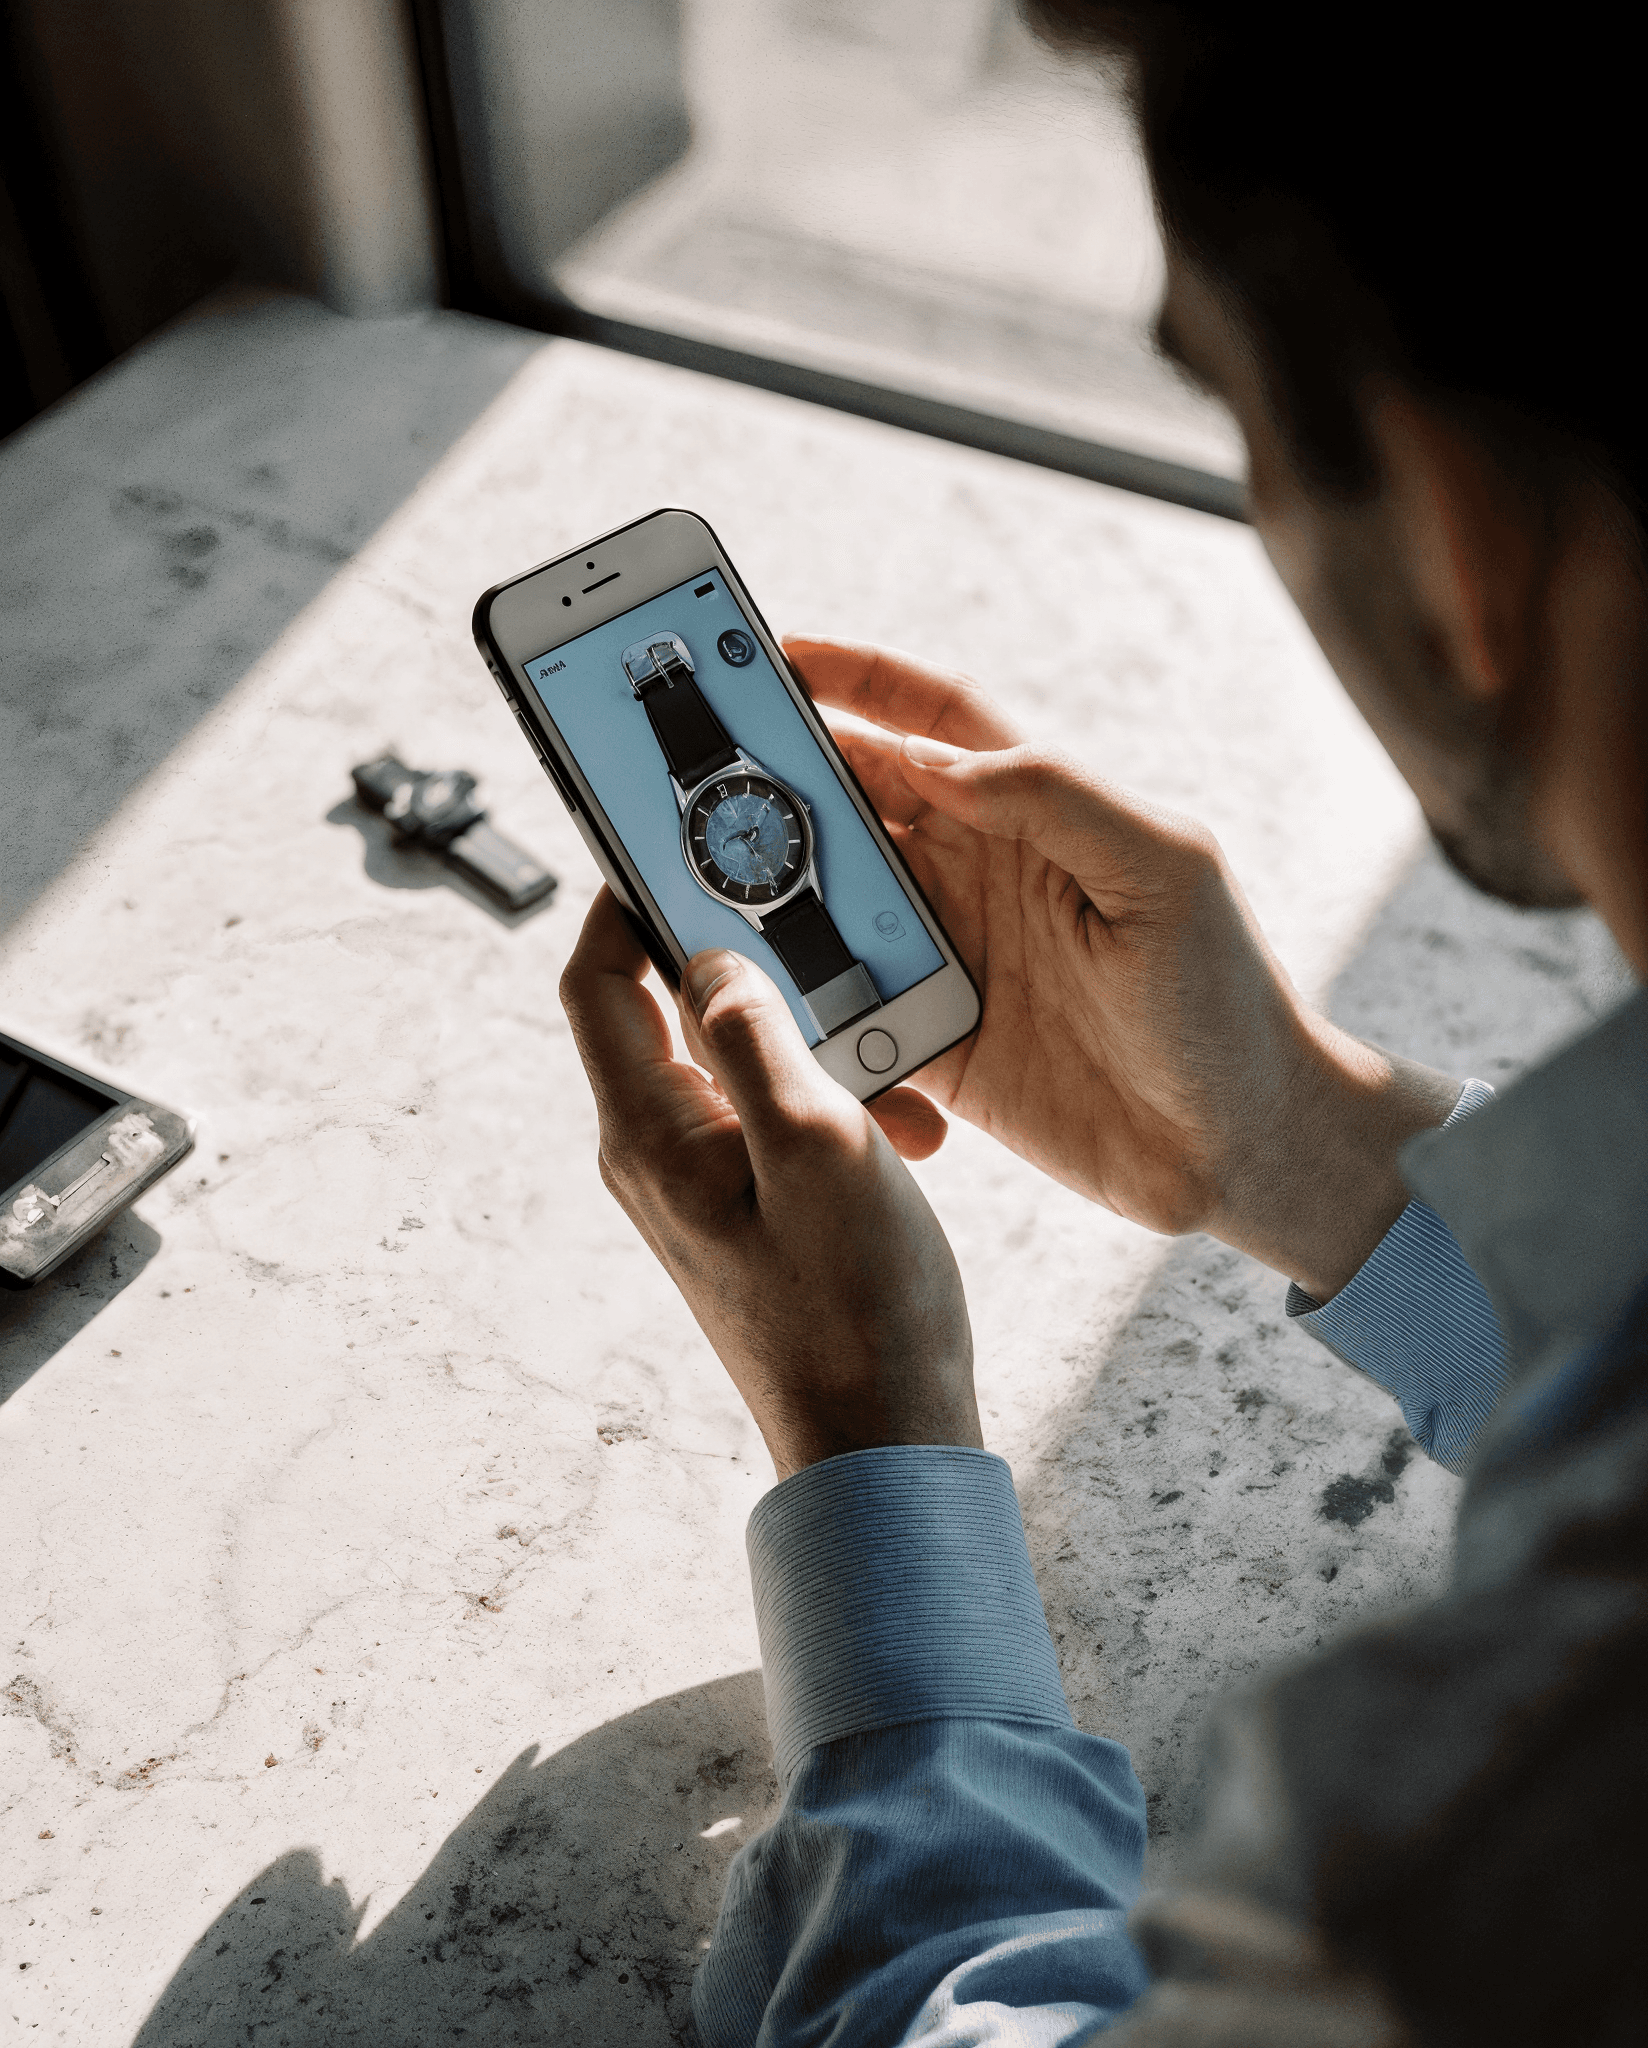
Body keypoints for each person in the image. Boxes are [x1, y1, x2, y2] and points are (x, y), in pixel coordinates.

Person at [560, 6, 1648, 2042]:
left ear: (1447, 539)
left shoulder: (1539, 1800)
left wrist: (869, 1433)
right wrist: (1296, 1141)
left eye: (1227, 410)